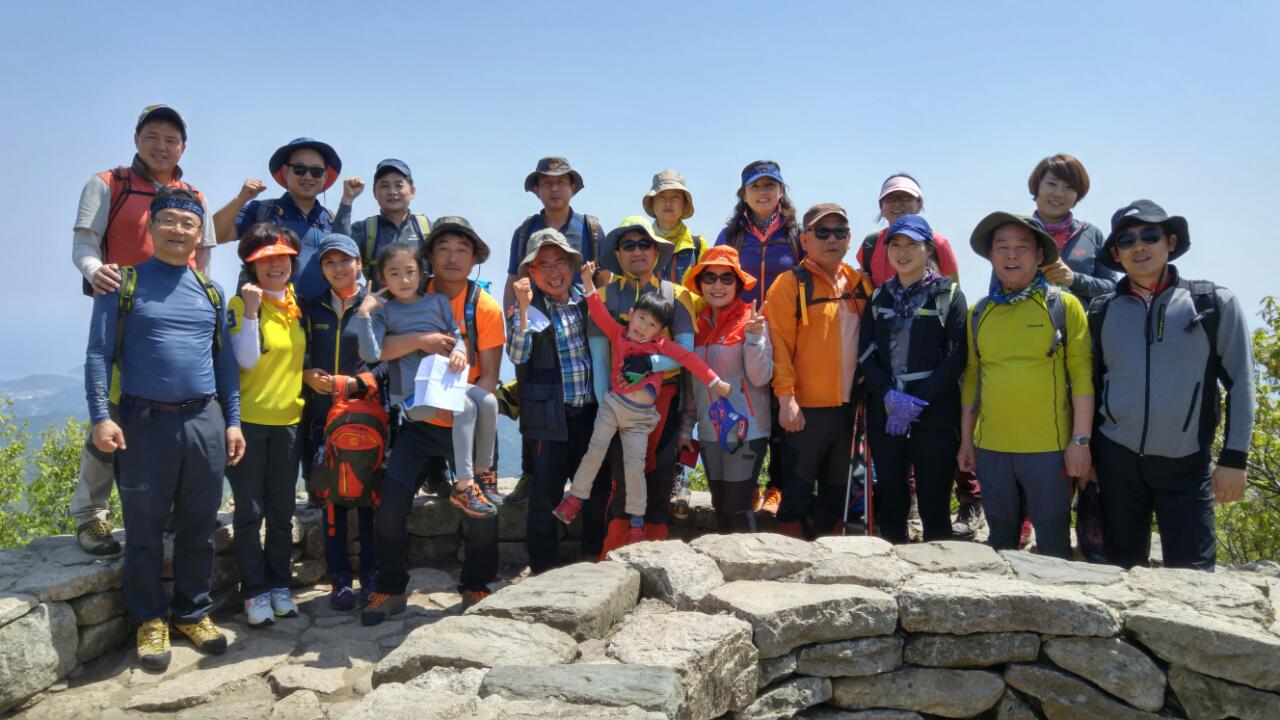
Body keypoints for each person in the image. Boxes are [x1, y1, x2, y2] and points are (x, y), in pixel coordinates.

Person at [84, 187, 243, 670]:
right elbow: (98, 354)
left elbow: (224, 363)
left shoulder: (211, 291)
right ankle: (150, 619)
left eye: (188, 223)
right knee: (144, 529)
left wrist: (232, 421)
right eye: (168, 220)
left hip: (204, 421)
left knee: (199, 526)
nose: (178, 229)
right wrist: (100, 416)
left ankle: (193, 612)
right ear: (150, 226)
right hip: (144, 424)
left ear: (199, 234)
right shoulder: (122, 283)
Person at [69, 104, 218, 556]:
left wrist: (203, 305)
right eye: (152, 136)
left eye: (171, 139)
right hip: (123, 313)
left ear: (183, 147)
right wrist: (97, 272)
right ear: (137, 139)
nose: (161, 146)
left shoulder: (194, 195)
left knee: (175, 413)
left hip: (180, 318)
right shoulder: (107, 183)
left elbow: (204, 260)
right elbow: (83, 246)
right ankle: (90, 515)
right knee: (112, 409)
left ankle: (170, 507)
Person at [1088, 200, 1255, 570]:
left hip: (1185, 463)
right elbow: (1091, 387)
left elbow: (1241, 383)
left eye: (1150, 235)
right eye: (1127, 241)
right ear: (1116, 254)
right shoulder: (1101, 311)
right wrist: (1089, 454)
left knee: (1194, 576)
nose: (1139, 246)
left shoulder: (1211, 303)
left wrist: (1234, 460)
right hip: (1116, 463)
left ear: (1171, 242)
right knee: (1118, 575)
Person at [365, 216, 506, 623]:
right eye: (443, 249)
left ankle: (476, 585)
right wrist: (420, 341)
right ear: (429, 257)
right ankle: (391, 589)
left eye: (462, 249)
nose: (452, 257)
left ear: (475, 258)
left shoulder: (484, 305)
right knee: (390, 508)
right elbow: (379, 350)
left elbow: (490, 375)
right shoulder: (409, 290)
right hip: (418, 421)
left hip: (465, 422)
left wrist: (459, 406)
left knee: (481, 512)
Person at [555, 260, 732, 541]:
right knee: (594, 453)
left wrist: (715, 382)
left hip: (640, 418)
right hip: (612, 407)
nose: (642, 327)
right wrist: (588, 283)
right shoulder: (618, 333)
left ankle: (637, 520)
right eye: (640, 319)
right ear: (631, 314)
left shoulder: (661, 348)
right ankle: (575, 498)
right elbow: (598, 312)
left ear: (659, 331)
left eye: (651, 325)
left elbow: (689, 359)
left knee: (635, 469)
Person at [957, 212, 1094, 559]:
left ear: (1039, 255)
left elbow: (1082, 375)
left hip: (1049, 451)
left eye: (1022, 247)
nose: (1011, 255)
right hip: (992, 450)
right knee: (1000, 544)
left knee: (1053, 548)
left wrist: (1080, 441)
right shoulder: (979, 313)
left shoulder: (1063, 306)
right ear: (991, 256)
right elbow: (972, 378)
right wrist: (966, 441)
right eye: (1002, 247)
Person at [854, 173, 975, 538]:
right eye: (896, 244)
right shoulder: (880, 296)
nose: (902, 252)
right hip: (886, 410)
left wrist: (917, 400)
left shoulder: (948, 296)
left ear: (928, 250)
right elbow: (866, 351)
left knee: (934, 498)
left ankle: (938, 567)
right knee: (891, 497)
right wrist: (889, 395)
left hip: (935, 411)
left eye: (912, 244)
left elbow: (956, 356)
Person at [354, 241, 499, 517]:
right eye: (394, 273)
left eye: (410, 272)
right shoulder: (384, 311)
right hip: (413, 397)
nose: (404, 280)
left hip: (444, 385)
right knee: (466, 407)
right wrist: (364, 313)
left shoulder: (437, 302)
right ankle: (464, 486)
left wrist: (459, 350)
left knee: (489, 401)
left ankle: (483, 472)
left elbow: (455, 335)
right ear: (383, 278)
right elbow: (372, 354)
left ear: (421, 273)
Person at [589, 217, 702, 554]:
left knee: (660, 476)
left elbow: (685, 354)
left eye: (644, 244)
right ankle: (615, 554)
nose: (637, 251)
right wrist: (606, 408)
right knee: (623, 479)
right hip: (617, 403)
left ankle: (654, 554)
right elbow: (600, 359)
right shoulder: (603, 297)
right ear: (617, 254)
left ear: (656, 251)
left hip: (664, 400)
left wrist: (649, 365)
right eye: (628, 245)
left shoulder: (677, 296)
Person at [764, 203, 872, 539]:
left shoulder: (859, 284)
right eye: (822, 232)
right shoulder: (789, 284)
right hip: (804, 409)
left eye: (840, 232)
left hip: (849, 409)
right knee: (795, 494)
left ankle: (830, 560)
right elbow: (779, 347)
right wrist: (786, 399)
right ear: (804, 240)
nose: (831, 239)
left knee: (836, 496)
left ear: (849, 239)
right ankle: (786, 561)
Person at [501, 156, 603, 504]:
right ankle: (531, 473)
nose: (555, 188)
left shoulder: (590, 228)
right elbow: (513, 281)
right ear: (536, 189)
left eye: (561, 181)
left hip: (578, 320)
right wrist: (516, 322)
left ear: (573, 186)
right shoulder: (525, 230)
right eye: (547, 182)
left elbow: (602, 279)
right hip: (536, 323)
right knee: (536, 402)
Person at [507, 229, 610, 573]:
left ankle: (593, 557)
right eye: (543, 266)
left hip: (589, 414)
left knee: (597, 488)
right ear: (531, 273)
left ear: (572, 265)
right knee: (544, 495)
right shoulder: (527, 309)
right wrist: (523, 309)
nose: (554, 273)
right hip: (547, 418)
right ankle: (543, 567)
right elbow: (518, 355)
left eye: (560, 262)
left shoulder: (586, 301)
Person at [300, 234, 389, 610]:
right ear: (321, 269)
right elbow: (298, 355)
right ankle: (340, 579)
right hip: (321, 418)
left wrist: (357, 383)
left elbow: (388, 362)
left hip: (367, 416)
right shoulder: (309, 307)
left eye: (345, 260)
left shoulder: (378, 307)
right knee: (331, 501)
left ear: (359, 264)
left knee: (370, 501)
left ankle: (371, 575)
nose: (338, 268)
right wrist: (306, 375)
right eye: (329, 262)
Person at [226, 224, 305, 626]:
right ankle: (254, 591)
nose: (276, 265)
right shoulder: (239, 305)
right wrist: (253, 311)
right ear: (251, 266)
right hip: (249, 423)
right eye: (265, 259)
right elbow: (246, 361)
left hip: (289, 420)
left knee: (281, 511)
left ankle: (278, 585)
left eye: (283, 257)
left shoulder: (295, 304)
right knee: (249, 512)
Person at [714, 160, 803, 517]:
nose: (763, 192)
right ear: (744, 194)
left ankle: (776, 487)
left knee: (784, 408)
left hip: (789, 332)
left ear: (781, 190)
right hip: (742, 332)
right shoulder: (731, 236)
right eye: (755, 186)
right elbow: (716, 278)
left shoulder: (796, 234)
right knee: (745, 408)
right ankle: (748, 484)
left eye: (770, 185)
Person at [677, 246, 774, 533]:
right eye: (710, 278)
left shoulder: (751, 320)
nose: (717, 285)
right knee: (720, 506)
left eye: (726, 278)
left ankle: (751, 561)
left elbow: (760, 377)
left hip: (747, 430)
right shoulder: (696, 323)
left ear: (738, 284)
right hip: (710, 430)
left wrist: (754, 338)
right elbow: (693, 384)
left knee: (737, 507)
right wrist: (686, 429)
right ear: (700, 284)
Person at [212, 137, 355, 301]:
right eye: (300, 170)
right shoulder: (261, 211)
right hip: (265, 312)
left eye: (316, 172)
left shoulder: (331, 220)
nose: (308, 176)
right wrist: (241, 199)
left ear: (325, 177)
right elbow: (214, 234)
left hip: (322, 314)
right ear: (285, 172)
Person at [1026, 154, 1117, 302]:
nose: (1059, 193)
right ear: (1037, 186)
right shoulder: (1016, 233)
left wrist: (1074, 279)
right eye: (1052, 183)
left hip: (1081, 317)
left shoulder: (1091, 234)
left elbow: (1113, 288)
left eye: (1069, 187)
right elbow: (997, 290)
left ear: (1077, 195)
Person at [856, 173, 960, 286]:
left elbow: (953, 291)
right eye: (890, 198)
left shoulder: (938, 243)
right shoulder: (870, 245)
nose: (897, 203)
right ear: (881, 207)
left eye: (906, 198)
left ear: (919, 204)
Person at [346, 159, 431, 289]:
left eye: (399, 185)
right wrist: (347, 200)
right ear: (375, 192)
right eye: (385, 186)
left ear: (412, 191)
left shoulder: (428, 229)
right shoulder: (363, 230)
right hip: (379, 302)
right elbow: (337, 251)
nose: (392, 192)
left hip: (425, 302)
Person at [644, 170, 705, 285]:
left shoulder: (698, 246)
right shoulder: (638, 245)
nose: (668, 203)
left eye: (675, 197)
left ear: (685, 204)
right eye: (661, 197)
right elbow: (621, 286)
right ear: (652, 203)